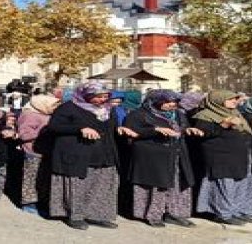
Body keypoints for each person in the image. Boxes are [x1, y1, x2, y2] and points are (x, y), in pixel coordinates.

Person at [47, 82, 122, 230]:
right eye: (98, 96)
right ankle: (76, 216)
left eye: (105, 96)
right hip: (78, 153)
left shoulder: (108, 110)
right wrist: (79, 128)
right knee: (78, 187)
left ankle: (98, 216)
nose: (102, 100)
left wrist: (121, 129)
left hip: (104, 154)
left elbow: (109, 128)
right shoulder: (69, 107)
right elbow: (54, 126)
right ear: (86, 95)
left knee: (103, 185)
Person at [124, 89, 197, 228]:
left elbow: (183, 128)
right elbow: (131, 132)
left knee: (178, 184)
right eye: (167, 102)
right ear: (155, 101)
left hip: (176, 154)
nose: (171, 104)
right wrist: (154, 130)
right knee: (156, 187)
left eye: (174, 101)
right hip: (152, 156)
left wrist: (187, 130)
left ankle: (175, 214)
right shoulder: (139, 114)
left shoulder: (178, 114)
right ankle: (153, 215)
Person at [190, 90, 252, 225]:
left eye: (235, 99)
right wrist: (223, 125)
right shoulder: (205, 116)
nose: (235, 101)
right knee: (224, 186)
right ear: (218, 100)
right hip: (221, 157)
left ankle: (237, 211)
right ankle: (223, 214)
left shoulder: (235, 113)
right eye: (231, 99)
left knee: (241, 184)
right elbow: (203, 135)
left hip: (240, 156)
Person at [17, 94, 60, 215]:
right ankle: (29, 203)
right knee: (31, 178)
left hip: (47, 151)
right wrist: (45, 133)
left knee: (43, 179)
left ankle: (42, 202)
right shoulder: (29, 115)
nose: (56, 107)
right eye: (53, 105)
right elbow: (24, 134)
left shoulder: (47, 115)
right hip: (33, 151)